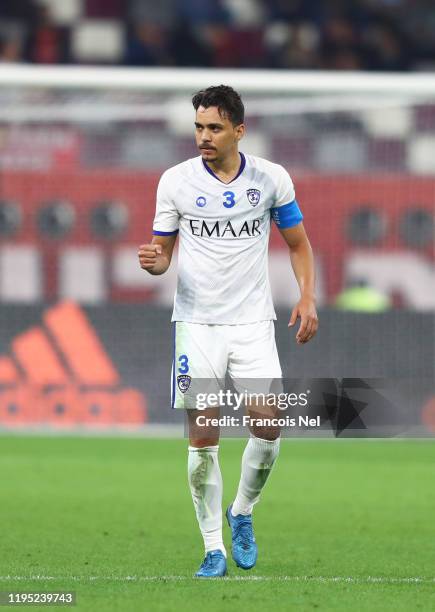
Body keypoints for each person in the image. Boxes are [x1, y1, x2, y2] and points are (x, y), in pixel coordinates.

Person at [138, 85, 318, 578]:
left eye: (214, 127)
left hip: (253, 324)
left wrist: (306, 296)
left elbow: (298, 245)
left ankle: (241, 510)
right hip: (196, 325)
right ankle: (213, 547)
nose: (203, 136)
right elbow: (162, 256)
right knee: (202, 438)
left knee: (268, 424)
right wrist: (155, 263)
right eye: (198, 127)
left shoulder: (271, 179)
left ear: (239, 130)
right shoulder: (174, 182)